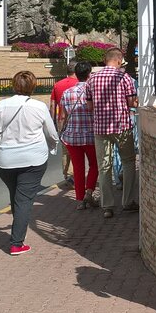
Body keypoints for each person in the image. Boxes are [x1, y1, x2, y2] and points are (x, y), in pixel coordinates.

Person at [0, 71, 59, 256]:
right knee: (24, 199)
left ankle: (18, 232)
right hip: (33, 158)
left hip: (6, 159)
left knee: (16, 195)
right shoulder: (39, 107)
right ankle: (17, 243)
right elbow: (51, 132)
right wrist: (52, 146)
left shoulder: (2, 105)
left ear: (13, 85)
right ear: (33, 86)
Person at [85, 47, 138, 219]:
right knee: (129, 162)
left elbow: (90, 106)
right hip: (121, 126)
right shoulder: (124, 77)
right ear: (119, 60)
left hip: (100, 128)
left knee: (104, 166)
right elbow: (131, 102)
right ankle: (128, 201)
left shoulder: (92, 79)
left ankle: (107, 205)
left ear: (105, 60)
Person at [59, 61, 98, 210]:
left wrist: (60, 131)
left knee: (78, 168)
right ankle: (89, 191)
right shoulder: (93, 91)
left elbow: (62, 116)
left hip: (72, 136)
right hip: (90, 135)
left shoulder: (67, 93)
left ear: (76, 74)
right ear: (89, 74)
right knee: (94, 165)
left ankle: (80, 199)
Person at [49, 64, 79, 184]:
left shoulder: (58, 84)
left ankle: (66, 174)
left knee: (65, 149)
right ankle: (72, 174)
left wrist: (53, 122)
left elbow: (52, 105)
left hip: (62, 119)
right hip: (77, 119)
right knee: (76, 148)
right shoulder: (79, 84)